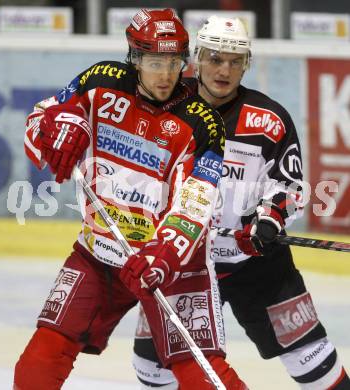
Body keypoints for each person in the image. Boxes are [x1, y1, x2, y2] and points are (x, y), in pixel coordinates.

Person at [14, 9, 248, 390]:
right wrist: (57, 126)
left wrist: (165, 255)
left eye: (174, 62)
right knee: (37, 366)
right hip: (98, 254)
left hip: (170, 266)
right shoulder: (99, 82)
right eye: (156, 61)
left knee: (204, 377)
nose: (166, 74)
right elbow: (40, 122)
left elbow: (196, 202)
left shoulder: (202, 122)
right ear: (136, 59)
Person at [132, 16, 350, 390]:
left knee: (311, 358)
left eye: (236, 60)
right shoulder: (164, 106)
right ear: (196, 59)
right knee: (152, 367)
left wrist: (268, 222)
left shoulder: (268, 119)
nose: (225, 70)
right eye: (215, 58)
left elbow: (289, 185)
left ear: (246, 64)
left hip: (257, 266)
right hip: (185, 264)